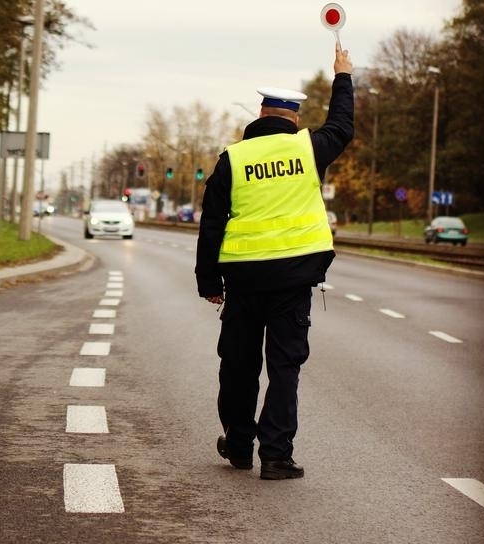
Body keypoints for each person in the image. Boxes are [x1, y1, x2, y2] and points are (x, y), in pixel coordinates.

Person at [195, 43, 354, 480]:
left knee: (238, 365)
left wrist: (209, 282)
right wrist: (342, 75)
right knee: (284, 367)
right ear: (294, 119)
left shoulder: (233, 158)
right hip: (293, 282)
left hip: (244, 281)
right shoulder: (309, 149)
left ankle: (239, 444)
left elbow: (212, 224)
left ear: (260, 114)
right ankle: (276, 456)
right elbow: (342, 125)